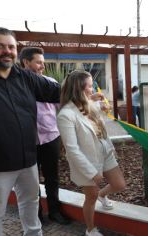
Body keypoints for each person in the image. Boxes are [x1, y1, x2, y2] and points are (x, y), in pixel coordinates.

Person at [0, 27, 60, 236]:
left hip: (28, 160)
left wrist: (86, 96)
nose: (7, 51)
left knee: (31, 204)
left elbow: (57, 92)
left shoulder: (25, 77)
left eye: (11, 47)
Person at [57, 70, 126, 236]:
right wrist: (91, 172)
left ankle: (103, 195)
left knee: (119, 185)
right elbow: (72, 150)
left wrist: (102, 105)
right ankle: (90, 229)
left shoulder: (88, 103)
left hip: (105, 153)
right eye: (89, 86)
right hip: (87, 160)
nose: (92, 89)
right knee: (91, 196)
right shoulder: (66, 115)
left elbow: (96, 118)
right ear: (78, 88)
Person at [19, 47, 71, 225]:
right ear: (26, 62)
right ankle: (37, 215)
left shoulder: (50, 83)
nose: (42, 66)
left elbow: (60, 111)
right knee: (32, 182)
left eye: (43, 62)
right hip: (27, 142)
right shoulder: (17, 87)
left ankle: (55, 212)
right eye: (38, 62)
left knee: (52, 177)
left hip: (51, 138)